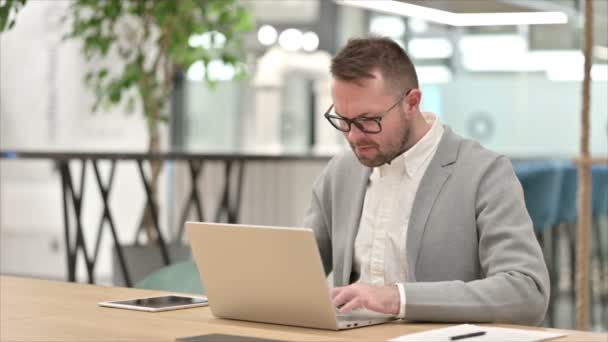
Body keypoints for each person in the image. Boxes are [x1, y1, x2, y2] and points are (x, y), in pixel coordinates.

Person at [302, 37, 549, 325]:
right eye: (343, 120)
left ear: (412, 102)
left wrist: (397, 298)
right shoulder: (341, 172)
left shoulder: (484, 172)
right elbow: (298, 272)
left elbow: (526, 291)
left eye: (368, 120)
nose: (354, 137)